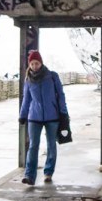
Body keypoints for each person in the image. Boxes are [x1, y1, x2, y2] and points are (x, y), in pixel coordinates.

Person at [19, 49, 67, 185]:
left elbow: (61, 95)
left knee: (51, 145)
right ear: (29, 65)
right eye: (32, 64)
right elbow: (26, 99)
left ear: (41, 63)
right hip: (34, 117)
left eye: (37, 63)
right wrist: (22, 115)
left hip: (52, 116)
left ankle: (48, 172)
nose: (34, 66)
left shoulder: (52, 76)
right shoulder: (28, 80)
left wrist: (63, 112)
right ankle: (29, 175)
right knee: (33, 146)